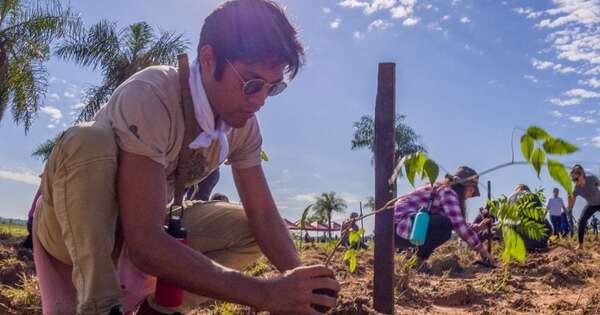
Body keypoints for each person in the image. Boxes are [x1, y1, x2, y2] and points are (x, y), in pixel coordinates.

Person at [33, 1, 339, 314]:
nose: (260, 100)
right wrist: (263, 293)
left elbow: (263, 217)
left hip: (136, 229)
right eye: (251, 83)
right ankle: (100, 305)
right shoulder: (152, 95)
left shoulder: (241, 125)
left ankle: (160, 309)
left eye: (273, 88)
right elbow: (145, 243)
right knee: (89, 140)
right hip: (75, 229)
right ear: (208, 59)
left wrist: (306, 289)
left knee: (247, 229)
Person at [394, 166, 495, 271]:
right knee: (445, 227)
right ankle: (418, 262)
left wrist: (477, 227)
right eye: (471, 191)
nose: (469, 195)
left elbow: (456, 221)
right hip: (401, 224)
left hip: (396, 229)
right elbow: (458, 225)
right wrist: (483, 250)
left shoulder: (441, 190)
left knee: (445, 223)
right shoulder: (448, 192)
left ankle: (413, 260)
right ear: (467, 187)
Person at [508, 184, 552, 251]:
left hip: (517, 241)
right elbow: (540, 216)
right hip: (536, 242)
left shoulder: (510, 197)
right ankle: (540, 244)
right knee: (549, 227)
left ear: (518, 189)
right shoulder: (533, 196)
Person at [568, 164, 600, 249]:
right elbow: (572, 198)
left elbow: (598, 184)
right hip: (591, 205)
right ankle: (580, 245)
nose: (575, 181)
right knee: (582, 221)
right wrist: (570, 208)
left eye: (576, 179)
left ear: (582, 174)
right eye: (573, 180)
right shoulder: (577, 188)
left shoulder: (592, 178)